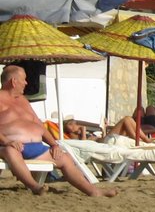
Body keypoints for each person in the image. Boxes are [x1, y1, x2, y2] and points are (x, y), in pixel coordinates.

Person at [0, 65, 117, 197]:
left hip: (36, 147)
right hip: (10, 146)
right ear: (14, 81)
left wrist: (54, 144)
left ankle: (94, 191)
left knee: (64, 158)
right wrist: (7, 141)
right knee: (10, 151)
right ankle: (34, 186)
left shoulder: (23, 101)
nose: (26, 83)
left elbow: (39, 125)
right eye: (24, 79)